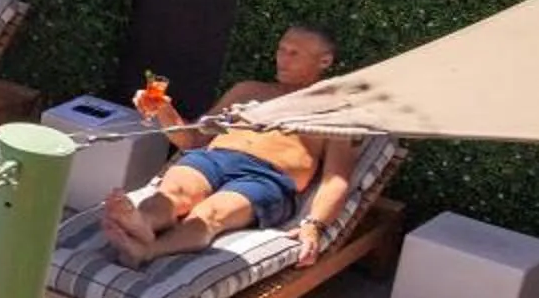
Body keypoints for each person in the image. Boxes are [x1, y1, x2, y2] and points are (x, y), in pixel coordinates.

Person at [101, 24, 361, 268]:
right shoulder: (248, 90)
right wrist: (164, 111)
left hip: (266, 178)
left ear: (324, 61)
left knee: (211, 213)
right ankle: (142, 222)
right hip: (213, 159)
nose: (282, 58)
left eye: (294, 53)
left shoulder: (333, 110)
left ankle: (148, 250)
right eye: (281, 49)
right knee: (173, 192)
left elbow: (335, 179)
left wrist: (314, 224)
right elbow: (192, 140)